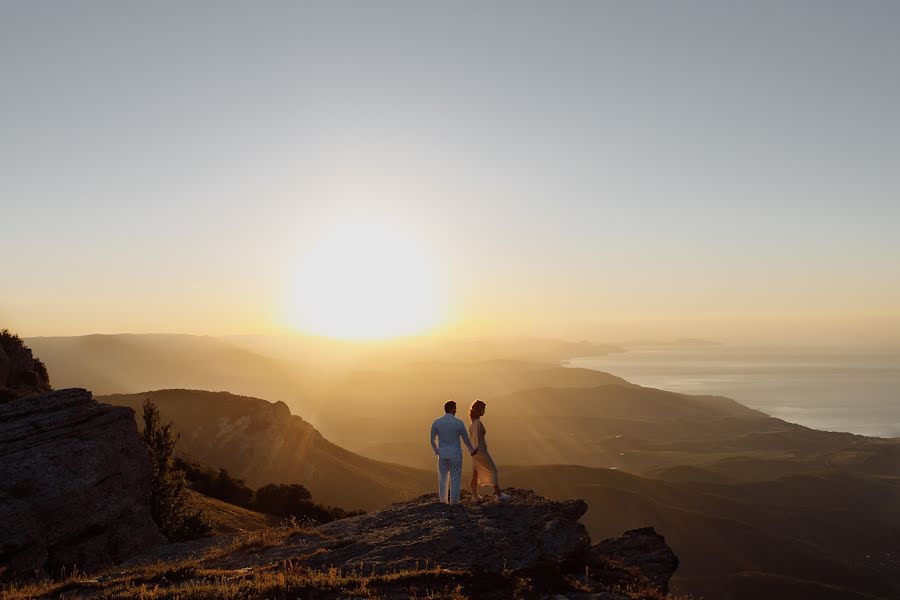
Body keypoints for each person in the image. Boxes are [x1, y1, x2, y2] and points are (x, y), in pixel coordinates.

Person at [430, 400, 476, 504]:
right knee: (455, 478)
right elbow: (466, 439)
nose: (456, 410)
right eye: (455, 408)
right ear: (451, 409)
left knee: (442, 478)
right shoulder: (458, 423)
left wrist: (437, 451)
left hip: (442, 454)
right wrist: (472, 449)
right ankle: (454, 502)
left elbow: (432, 440)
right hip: (455, 454)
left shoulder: (437, 422)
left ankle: (443, 501)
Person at [469, 399, 510, 500]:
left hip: (476, 452)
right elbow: (476, 438)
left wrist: (472, 450)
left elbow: (472, 438)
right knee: (493, 470)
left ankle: (474, 495)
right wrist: (476, 449)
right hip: (481, 451)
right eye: (483, 409)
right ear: (478, 410)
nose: (484, 411)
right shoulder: (477, 423)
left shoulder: (473, 423)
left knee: (475, 472)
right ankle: (498, 495)